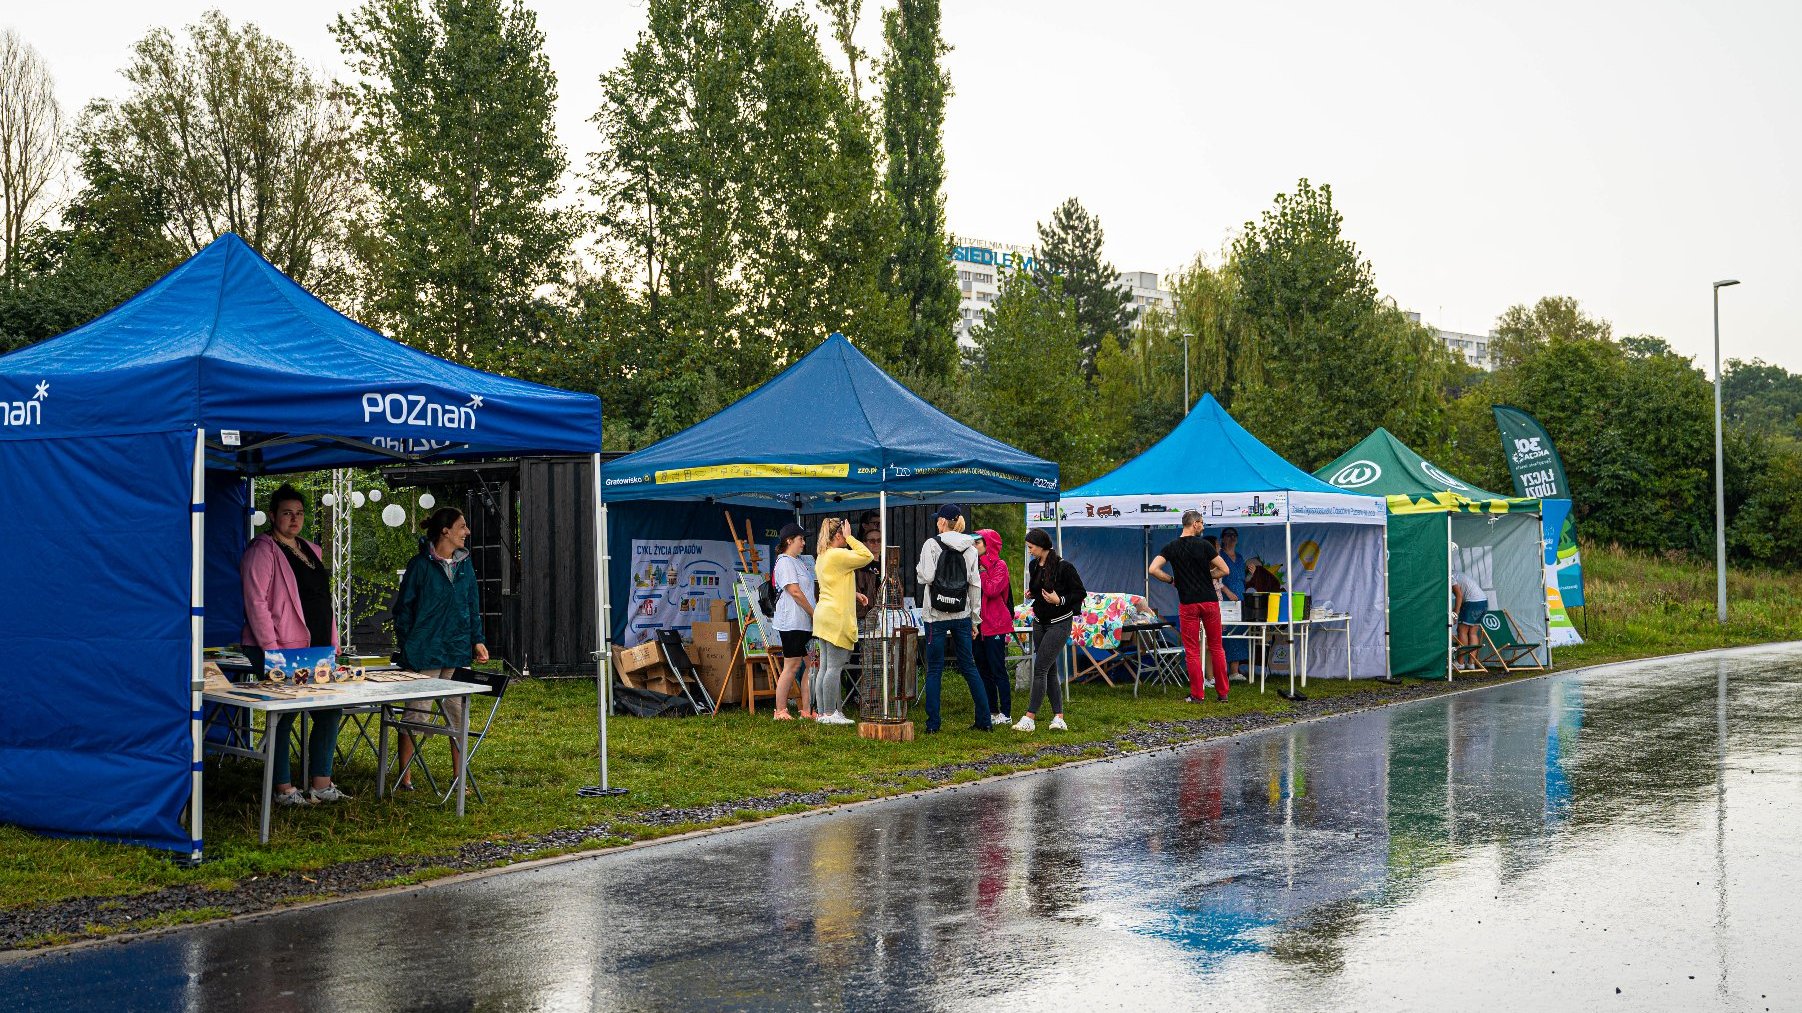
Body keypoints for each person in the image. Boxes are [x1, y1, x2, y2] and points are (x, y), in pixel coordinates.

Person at [240, 484, 347, 806]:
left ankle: (321, 784)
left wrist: (333, 641)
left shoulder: (311, 550)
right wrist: (272, 649)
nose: (294, 519)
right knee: (282, 716)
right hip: (277, 649)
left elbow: (322, 600)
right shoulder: (262, 550)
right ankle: (284, 788)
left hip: (315, 649)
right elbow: (256, 601)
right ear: (272, 516)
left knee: (329, 710)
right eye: (287, 513)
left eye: (299, 513)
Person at [391, 507, 490, 790]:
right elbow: (403, 610)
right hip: (425, 652)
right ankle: (404, 778)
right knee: (417, 714)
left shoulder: (465, 564)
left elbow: (472, 605)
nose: (467, 532)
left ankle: (460, 778)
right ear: (445, 531)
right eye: (462, 526)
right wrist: (410, 644)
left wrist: (477, 640)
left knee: (457, 715)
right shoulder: (419, 566)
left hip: (457, 649)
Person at [916, 505, 991, 733]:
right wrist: (975, 620)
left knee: (934, 669)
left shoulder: (932, 544)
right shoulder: (970, 548)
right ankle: (984, 720)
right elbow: (975, 585)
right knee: (969, 665)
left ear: (942, 522)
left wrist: (919, 570)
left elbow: (926, 576)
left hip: (935, 615)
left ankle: (933, 724)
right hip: (962, 614)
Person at [1148, 509, 1231, 704]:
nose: (1202, 526)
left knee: (1192, 650)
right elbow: (1224, 570)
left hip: (1188, 604)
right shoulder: (1204, 546)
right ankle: (1223, 693)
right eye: (1201, 523)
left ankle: (1197, 694)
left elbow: (1153, 569)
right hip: (1210, 602)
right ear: (1194, 524)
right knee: (1217, 647)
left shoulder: (1171, 547)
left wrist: (1171, 580)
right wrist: (1206, 575)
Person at [1015, 528, 1083, 732]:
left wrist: (1059, 600)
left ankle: (1029, 718)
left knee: (1040, 668)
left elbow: (1080, 592)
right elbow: (1038, 590)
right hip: (1039, 622)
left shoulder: (1065, 567)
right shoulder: (1034, 565)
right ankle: (1058, 717)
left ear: (1042, 546)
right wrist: (1031, 593)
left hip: (1059, 623)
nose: (1029, 551)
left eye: (1031, 547)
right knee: (1050, 669)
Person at [810, 517, 872, 725]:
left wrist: (854, 593)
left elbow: (833, 582)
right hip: (836, 616)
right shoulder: (839, 554)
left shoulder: (823, 556)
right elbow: (867, 555)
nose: (846, 537)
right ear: (838, 535)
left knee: (825, 667)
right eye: (844, 533)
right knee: (834, 667)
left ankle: (821, 713)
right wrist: (852, 538)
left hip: (823, 615)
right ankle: (830, 714)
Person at [769, 522, 816, 721]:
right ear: (789, 541)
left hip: (803, 622)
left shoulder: (798, 561)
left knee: (812, 665)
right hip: (793, 622)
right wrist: (814, 613)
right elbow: (795, 592)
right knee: (792, 665)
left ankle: (806, 709)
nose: (803, 543)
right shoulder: (785, 562)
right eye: (800, 539)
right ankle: (780, 710)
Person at [974, 528, 1014, 727]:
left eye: (978, 543)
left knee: (997, 668)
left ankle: (1006, 713)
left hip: (996, 624)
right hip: (979, 625)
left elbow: (991, 590)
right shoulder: (974, 564)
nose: (974, 546)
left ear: (988, 545)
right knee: (983, 669)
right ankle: (992, 710)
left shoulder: (1000, 565)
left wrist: (981, 572)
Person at [1217, 528, 1248, 682]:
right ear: (1222, 538)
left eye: (1235, 535)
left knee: (1239, 632)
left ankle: (1234, 671)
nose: (1232, 537)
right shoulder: (1219, 556)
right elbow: (1215, 578)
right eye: (1229, 535)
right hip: (1225, 598)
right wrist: (1227, 592)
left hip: (1240, 598)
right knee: (1226, 633)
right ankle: (1222, 670)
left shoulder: (1240, 557)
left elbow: (1243, 579)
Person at [1451, 550, 1488, 654]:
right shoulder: (1457, 574)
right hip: (1483, 602)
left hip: (1473, 603)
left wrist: (1455, 614)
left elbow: (1459, 596)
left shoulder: (1450, 577)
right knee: (1472, 633)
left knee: (1462, 631)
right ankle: (1471, 664)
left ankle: (1461, 663)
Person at [853, 511, 883, 621]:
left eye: (879, 540)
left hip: (886, 613)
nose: (876, 543)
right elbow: (856, 593)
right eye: (872, 541)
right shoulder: (858, 566)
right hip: (866, 616)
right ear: (864, 543)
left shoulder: (888, 564)